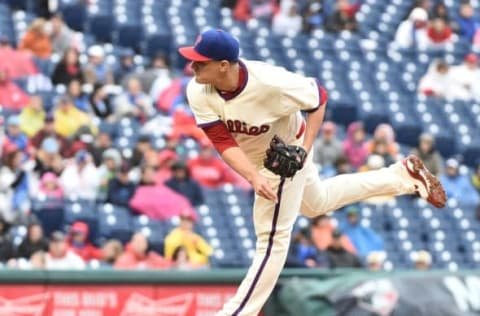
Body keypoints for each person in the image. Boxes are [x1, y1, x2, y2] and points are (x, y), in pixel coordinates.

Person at [178, 29, 446, 316]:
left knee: (272, 239)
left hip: (283, 155)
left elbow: (319, 96)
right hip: (258, 162)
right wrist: (253, 178)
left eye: (200, 62)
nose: (193, 67)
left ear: (223, 65)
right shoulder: (198, 90)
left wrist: (303, 149)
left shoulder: (270, 81)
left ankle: (236, 312)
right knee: (316, 203)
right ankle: (401, 176)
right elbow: (222, 141)